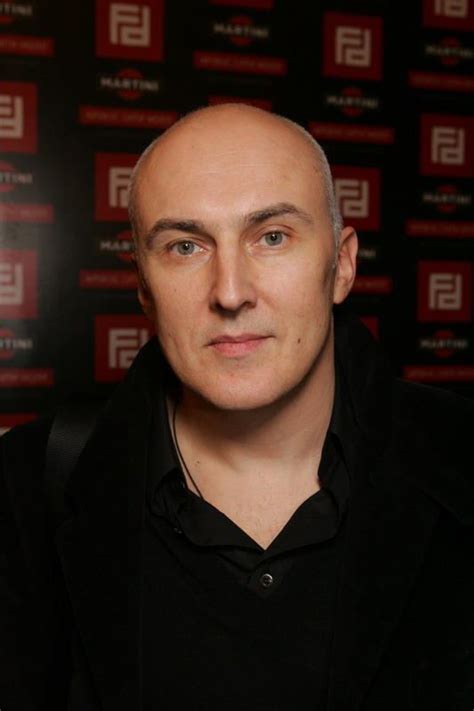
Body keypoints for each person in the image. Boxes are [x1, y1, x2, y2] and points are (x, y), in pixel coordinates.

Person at [0, 104, 473, 711]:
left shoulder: (461, 454)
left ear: (342, 265)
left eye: (272, 237)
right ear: (143, 286)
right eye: (185, 246)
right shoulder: (24, 488)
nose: (230, 292)